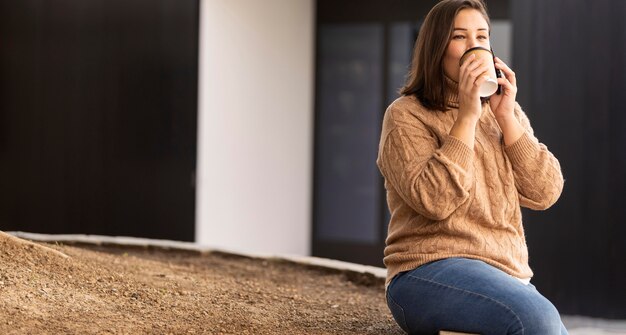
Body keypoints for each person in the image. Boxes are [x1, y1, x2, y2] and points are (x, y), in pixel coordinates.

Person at [376, 0, 567, 334]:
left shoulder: (504, 113)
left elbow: (546, 192)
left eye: (482, 36)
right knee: (539, 319)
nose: (474, 46)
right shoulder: (405, 115)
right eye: (460, 37)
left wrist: (507, 117)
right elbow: (435, 201)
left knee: (548, 324)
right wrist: (466, 117)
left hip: (506, 275)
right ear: (437, 49)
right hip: (425, 272)